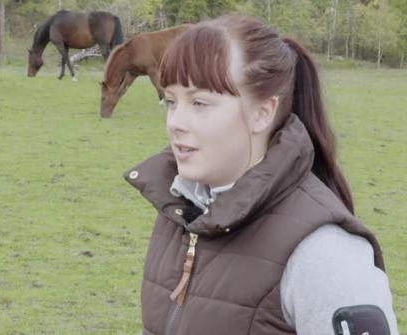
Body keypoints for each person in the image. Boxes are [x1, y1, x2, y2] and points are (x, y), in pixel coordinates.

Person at [124, 15, 399, 335]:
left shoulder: (325, 254)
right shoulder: (179, 213)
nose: (176, 122)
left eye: (199, 102)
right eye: (172, 101)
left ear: (262, 112)